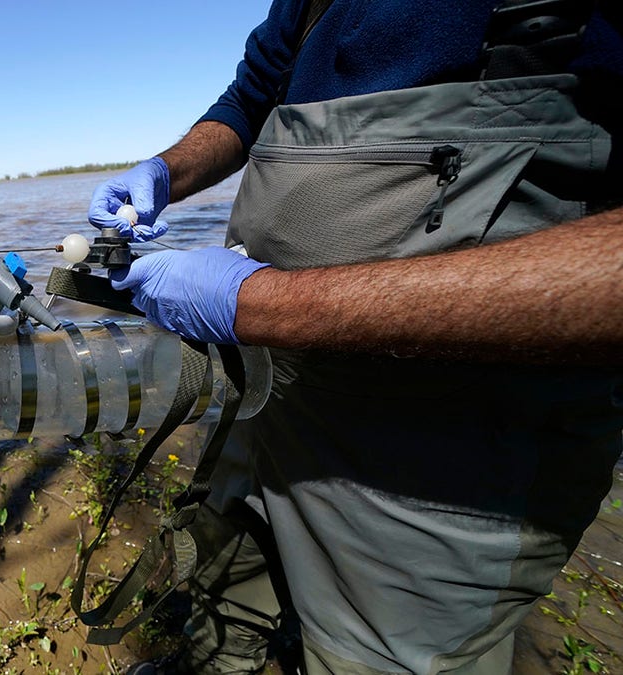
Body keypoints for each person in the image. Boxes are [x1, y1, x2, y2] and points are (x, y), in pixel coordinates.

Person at [87, 1, 622, 673]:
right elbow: (253, 91)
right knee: (224, 576)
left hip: (441, 454)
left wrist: (256, 301)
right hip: (270, 394)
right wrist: (166, 171)